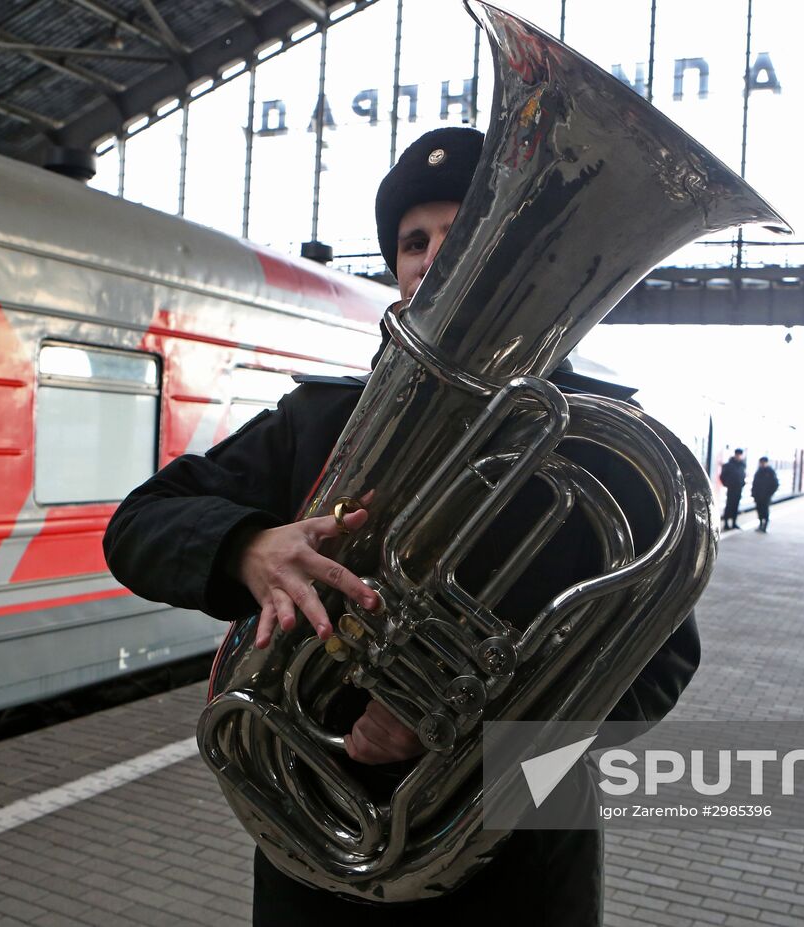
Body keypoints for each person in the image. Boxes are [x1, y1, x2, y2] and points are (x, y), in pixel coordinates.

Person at [102, 127, 700, 927]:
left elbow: (659, 666)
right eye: (414, 240)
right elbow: (139, 523)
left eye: (464, 231)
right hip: (319, 855)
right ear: (397, 274)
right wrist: (249, 545)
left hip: (516, 868)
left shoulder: (607, 447)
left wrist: (472, 729)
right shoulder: (319, 422)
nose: (432, 253)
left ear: (521, 254)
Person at [720, 448, 747, 530]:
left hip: (739, 489)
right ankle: (726, 524)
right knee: (729, 506)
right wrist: (727, 484)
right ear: (735, 454)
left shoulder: (742, 465)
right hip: (731, 489)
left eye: (740, 455)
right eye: (737, 454)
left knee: (736, 506)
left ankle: (734, 523)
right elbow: (722, 476)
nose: (738, 456)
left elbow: (743, 475)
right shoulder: (728, 465)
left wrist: (742, 483)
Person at [751, 456, 780, 533]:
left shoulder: (770, 471)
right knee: (759, 510)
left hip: (766, 496)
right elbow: (754, 484)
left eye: (764, 462)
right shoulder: (758, 471)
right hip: (758, 496)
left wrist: (769, 494)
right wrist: (753, 494)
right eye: (761, 462)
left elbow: (776, 484)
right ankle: (760, 524)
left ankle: (765, 526)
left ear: (767, 463)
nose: (762, 464)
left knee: (765, 511)